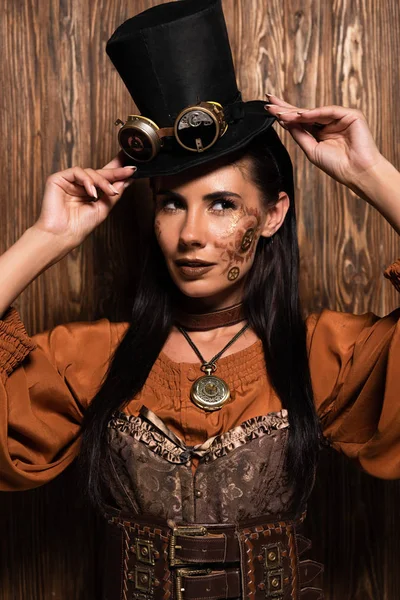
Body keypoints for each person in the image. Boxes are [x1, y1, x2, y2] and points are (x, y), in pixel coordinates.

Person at [0, 1, 399, 599]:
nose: (189, 235)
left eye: (221, 204)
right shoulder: (88, 357)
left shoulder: (322, 353)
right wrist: (44, 239)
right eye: (170, 203)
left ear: (272, 215)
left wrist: (371, 173)